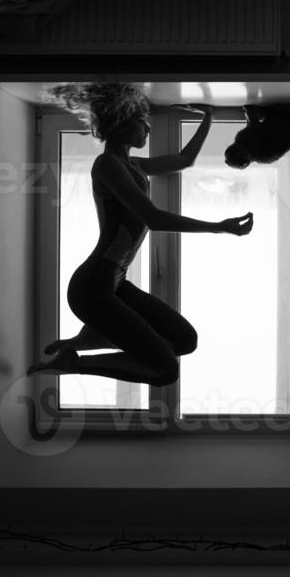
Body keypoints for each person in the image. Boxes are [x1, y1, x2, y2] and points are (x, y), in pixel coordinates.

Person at [28, 83, 253, 386]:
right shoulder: (107, 165)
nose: (147, 127)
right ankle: (75, 361)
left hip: (113, 283)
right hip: (93, 286)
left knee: (184, 340)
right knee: (166, 370)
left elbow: (185, 160)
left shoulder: (133, 165)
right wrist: (219, 227)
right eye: (141, 121)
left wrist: (207, 117)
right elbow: (153, 218)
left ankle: (89, 338)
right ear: (121, 124)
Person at [224, 102, 290, 169]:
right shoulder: (256, 149)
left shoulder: (249, 147)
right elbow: (254, 126)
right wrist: (249, 110)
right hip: (285, 117)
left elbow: (252, 127)